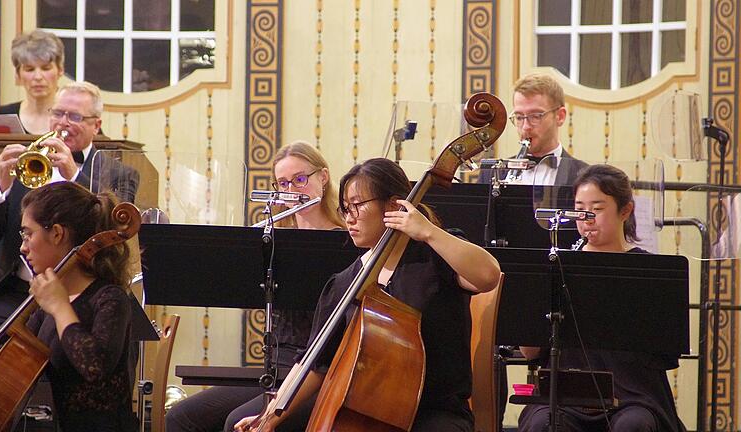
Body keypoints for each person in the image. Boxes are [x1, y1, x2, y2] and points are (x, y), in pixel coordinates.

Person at [233, 157, 502, 432]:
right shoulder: (346, 282)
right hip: (367, 410)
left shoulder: (434, 257)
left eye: (358, 206)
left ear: (393, 206)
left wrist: (430, 233)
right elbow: (312, 362)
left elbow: (489, 275)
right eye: (345, 208)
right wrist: (269, 418)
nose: (349, 217)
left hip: (435, 412)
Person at [165, 141, 345, 432]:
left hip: (314, 374)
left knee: (235, 423)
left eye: (300, 180)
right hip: (274, 369)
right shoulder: (273, 241)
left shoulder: (344, 243)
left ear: (322, 177)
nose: (292, 190)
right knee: (181, 417)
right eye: (283, 183)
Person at [517, 164, 686, 432]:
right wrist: (531, 302)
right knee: (542, 424)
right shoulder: (558, 265)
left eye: (596, 208)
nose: (586, 218)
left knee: (633, 425)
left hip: (632, 397)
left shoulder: (650, 271)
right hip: (564, 399)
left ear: (625, 210)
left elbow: (664, 350)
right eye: (579, 208)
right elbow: (530, 352)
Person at [0, 81, 139, 352]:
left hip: (80, 297)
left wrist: (75, 175)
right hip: (19, 293)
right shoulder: (30, 162)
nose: (63, 123)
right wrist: (2, 186)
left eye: (75, 117)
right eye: (58, 113)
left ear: (96, 125)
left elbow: (114, 225)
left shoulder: (120, 174)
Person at [20, 181, 137, 431]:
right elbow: (9, 354)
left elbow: (95, 367)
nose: (23, 246)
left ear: (57, 234)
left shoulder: (110, 298)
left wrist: (60, 306)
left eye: (29, 234)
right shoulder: (46, 305)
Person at [479, 73, 587, 186]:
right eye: (519, 117)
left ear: (560, 116)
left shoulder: (584, 176)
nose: (525, 127)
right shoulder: (491, 173)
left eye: (536, 116)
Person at [0, 30, 64, 134]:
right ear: (18, 74)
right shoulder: (0, 119)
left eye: (46, 68)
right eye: (29, 69)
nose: (38, 77)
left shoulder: (76, 120)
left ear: (60, 70)